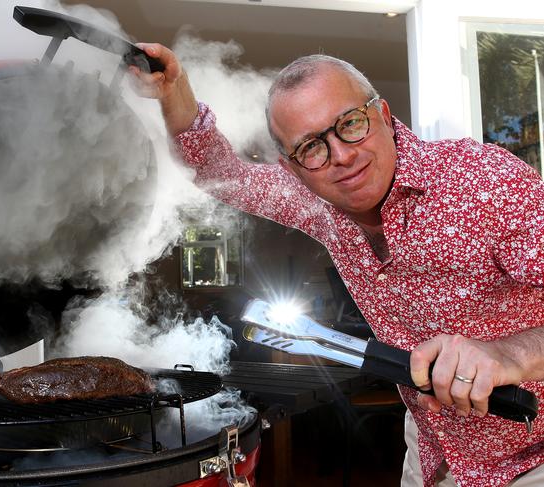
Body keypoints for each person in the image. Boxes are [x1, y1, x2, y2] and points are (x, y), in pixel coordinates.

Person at [130, 43, 544, 487]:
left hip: (532, 454)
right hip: (435, 450)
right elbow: (217, 171)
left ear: (382, 114)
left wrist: (508, 355)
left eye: (350, 124)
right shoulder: (316, 203)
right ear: (293, 169)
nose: (342, 156)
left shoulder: (485, 181)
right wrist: (174, 91)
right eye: (311, 147)